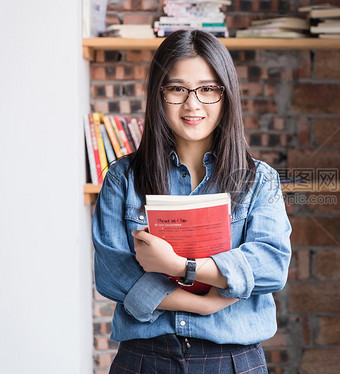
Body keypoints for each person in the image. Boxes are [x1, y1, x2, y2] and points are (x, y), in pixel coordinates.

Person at [92, 29, 292, 373]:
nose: (192, 104)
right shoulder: (122, 177)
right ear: (159, 94)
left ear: (226, 95)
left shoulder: (259, 179)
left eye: (208, 89)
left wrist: (177, 266)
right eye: (177, 88)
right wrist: (202, 304)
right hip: (144, 360)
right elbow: (112, 275)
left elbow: (271, 266)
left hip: (233, 361)